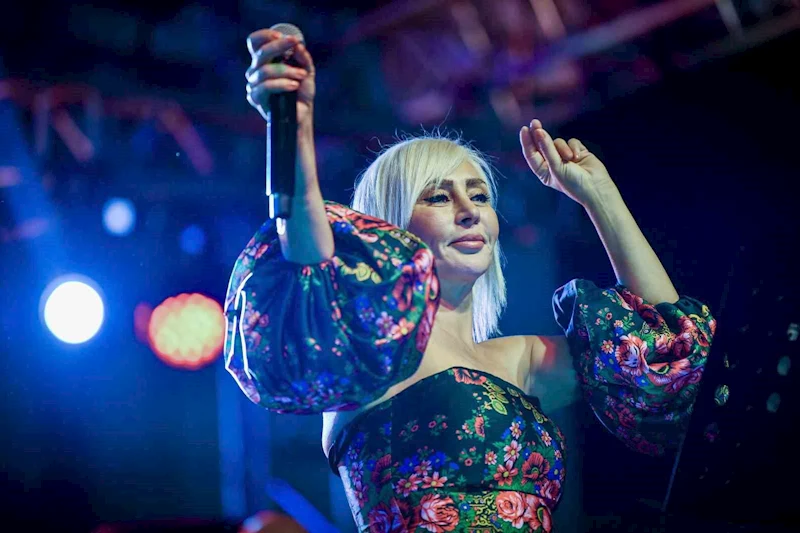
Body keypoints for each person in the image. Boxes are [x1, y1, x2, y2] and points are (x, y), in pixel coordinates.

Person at [226, 29, 716, 532]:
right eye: (438, 197)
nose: (469, 212)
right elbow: (309, 262)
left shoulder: (522, 362)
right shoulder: (372, 355)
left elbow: (669, 354)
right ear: (391, 228)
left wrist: (600, 196)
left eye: (479, 196)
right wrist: (290, 123)